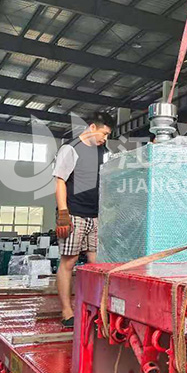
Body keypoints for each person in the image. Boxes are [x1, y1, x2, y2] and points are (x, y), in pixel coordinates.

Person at [53, 111, 114, 328]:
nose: (105, 138)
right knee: (69, 261)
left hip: (96, 215)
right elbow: (60, 181)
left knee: (96, 263)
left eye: (107, 136)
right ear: (92, 127)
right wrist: (63, 213)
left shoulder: (104, 152)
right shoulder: (71, 149)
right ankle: (67, 310)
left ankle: (96, 307)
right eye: (104, 134)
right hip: (74, 214)